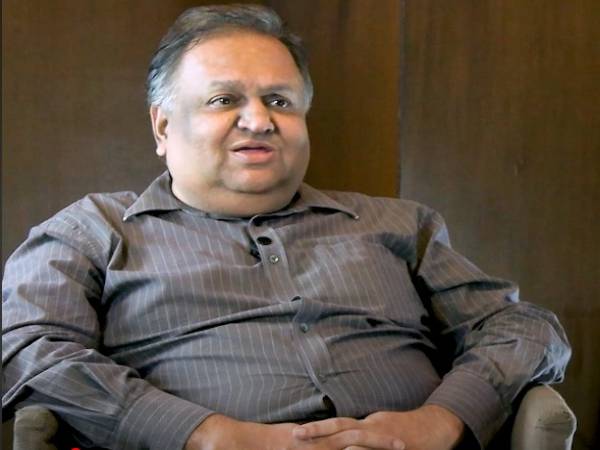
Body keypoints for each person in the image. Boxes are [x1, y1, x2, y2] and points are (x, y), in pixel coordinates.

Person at [2, 4, 571, 450]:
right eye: (223, 99)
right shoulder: (93, 232)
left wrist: (441, 420)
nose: (258, 120)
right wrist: (208, 436)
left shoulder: (400, 225)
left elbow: (524, 327)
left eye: (279, 100)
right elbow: (29, 350)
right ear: (163, 126)